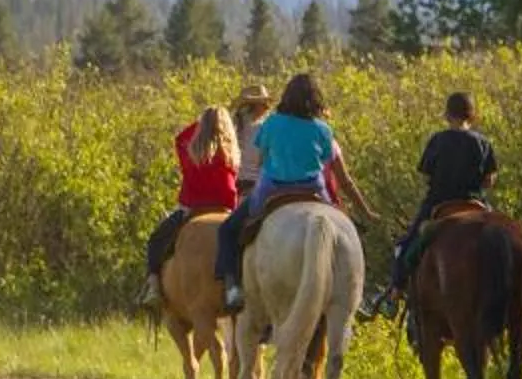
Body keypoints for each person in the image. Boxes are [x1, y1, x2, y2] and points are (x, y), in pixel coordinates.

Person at [217, 71, 376, 313]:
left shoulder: (271, 123)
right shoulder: (323, 129)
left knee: (229, 229)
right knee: (345, 231)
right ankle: (356, 294)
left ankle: (234, 286)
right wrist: (368, 212)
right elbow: (326, 163)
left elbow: (261, 160)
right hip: (312, 188)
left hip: (272, 187)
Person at [368, 91, 498, 318]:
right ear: (472, 115)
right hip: (474, 204)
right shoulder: (483, 143)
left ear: (447, 115)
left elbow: (426, 171)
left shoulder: (438, 140)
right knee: (501, 239)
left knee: (406, 246)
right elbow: (489, 180)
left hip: (439, 204)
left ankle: (395, 294)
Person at [139, 105, 242, 307]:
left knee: (156, 240)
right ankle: (237, 285)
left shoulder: (190, 150)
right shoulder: (231, 153)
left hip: (192, 208)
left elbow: (179, 138)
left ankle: (153, 286)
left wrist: (203, 123)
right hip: (225, 209)